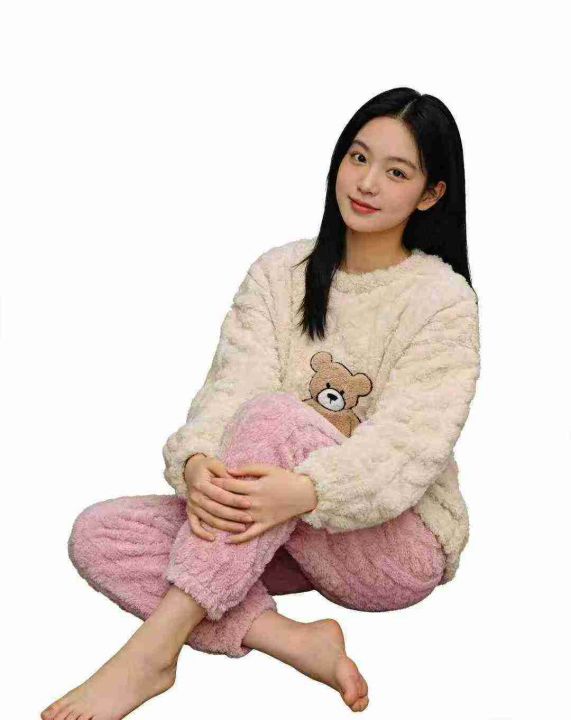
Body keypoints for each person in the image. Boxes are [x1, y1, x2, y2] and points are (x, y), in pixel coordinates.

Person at [41, 86, 481, 720]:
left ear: (431, 194)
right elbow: (231, 391)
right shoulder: (280, 273)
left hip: (391, 549)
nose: (366, 183)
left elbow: (409, 446)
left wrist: (305, 492)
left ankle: (151, 655)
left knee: (275, 418)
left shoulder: (443, 300)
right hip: (279, 536)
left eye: (396, 172)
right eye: (358, 158)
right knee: (101, 535)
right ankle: (292, 639)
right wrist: (198, 465)